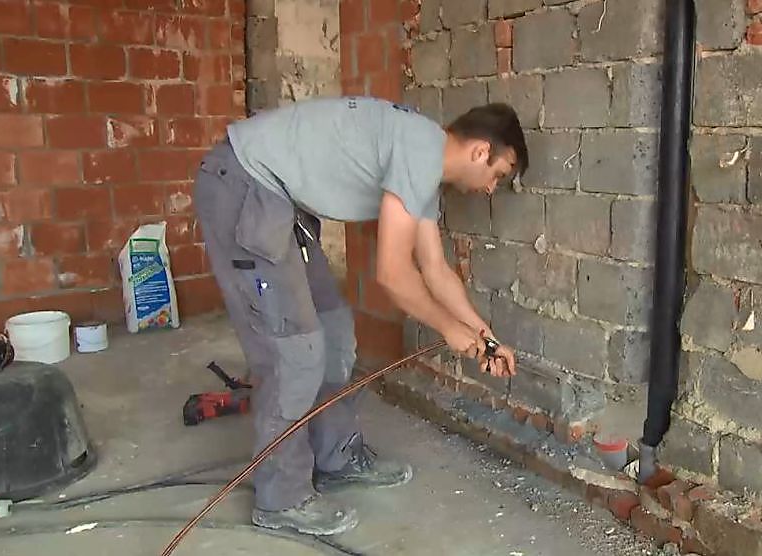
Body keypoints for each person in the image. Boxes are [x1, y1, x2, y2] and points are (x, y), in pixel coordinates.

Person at [192, 95, 528, 537]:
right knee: (295, 351)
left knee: (334, 336)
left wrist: (485, 336)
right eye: (499, 175)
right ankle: (281, 498)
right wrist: (448, 328)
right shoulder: (419, 149)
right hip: (243, 183)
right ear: (481, 151)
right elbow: (393, 273)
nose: (490, 189)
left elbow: (435, 269)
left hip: (278, 200)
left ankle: (336, 457)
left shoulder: (424, 163)